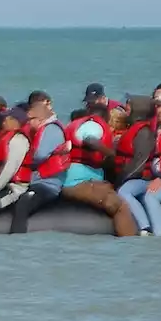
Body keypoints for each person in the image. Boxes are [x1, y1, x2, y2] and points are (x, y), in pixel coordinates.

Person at [117, 89, 161, 236]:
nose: (160, 110)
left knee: (150, 197)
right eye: (158, 106)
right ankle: (145, 228)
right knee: (124, 191)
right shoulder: (157, 126)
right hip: (154, 176)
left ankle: (158, 235)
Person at [60, 101, 138, 236]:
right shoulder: (94, 125)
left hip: (68, 179)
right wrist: (112, 155)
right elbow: (91, 141)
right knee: (120, 207)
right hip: (80, 182)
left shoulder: (78, 125)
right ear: (106, 117)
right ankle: (130, 245)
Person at [5, 91, 71, 234]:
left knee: (23, 203)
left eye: (31, 119)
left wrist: (19, 157)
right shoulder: (38, 131)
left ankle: (17, 239)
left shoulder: (52, 129)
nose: (29, 123)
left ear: (39, 118)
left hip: (48, 184)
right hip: (34, 181)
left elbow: (40, 156)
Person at [111, 97, 155, 187]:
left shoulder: (144, 132)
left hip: (138, 177)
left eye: (127, 110)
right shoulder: (131, 128)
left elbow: (139, 162)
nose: (125, 114)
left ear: (137, 112)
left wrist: (121, 180)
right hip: (123, 173)